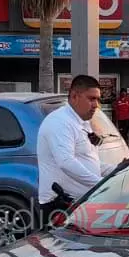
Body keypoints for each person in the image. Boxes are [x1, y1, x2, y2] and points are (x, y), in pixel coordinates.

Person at [36, 74, 104, 229]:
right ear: (74, 96)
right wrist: (101, 185)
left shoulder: (82, 122)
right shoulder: (60, 122)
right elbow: (65, 162)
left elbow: (87, 159)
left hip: (80, 203)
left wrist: (118, 171)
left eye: (98, 100)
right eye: (91, 99)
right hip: (61, 205)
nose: (96, 105)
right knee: (62, 251)